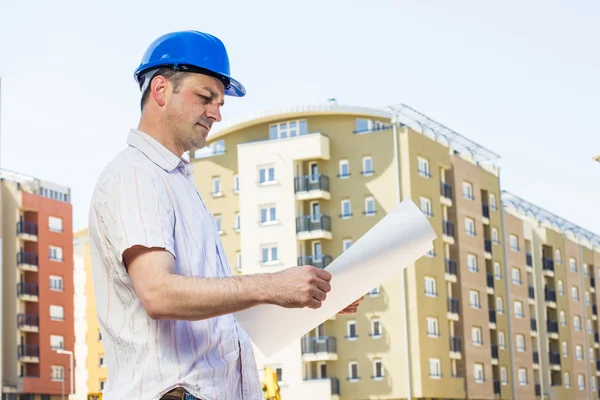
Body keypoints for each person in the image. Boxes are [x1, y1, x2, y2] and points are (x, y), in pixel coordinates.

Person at [88, 30, 363, 400]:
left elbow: (214, 319)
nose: (216, 114)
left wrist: (305, 298)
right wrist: (271, 285)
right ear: (160, 90)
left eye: (220, 102)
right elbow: (158, 293)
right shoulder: (136, 176)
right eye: (206, 97)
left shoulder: (177, 183)